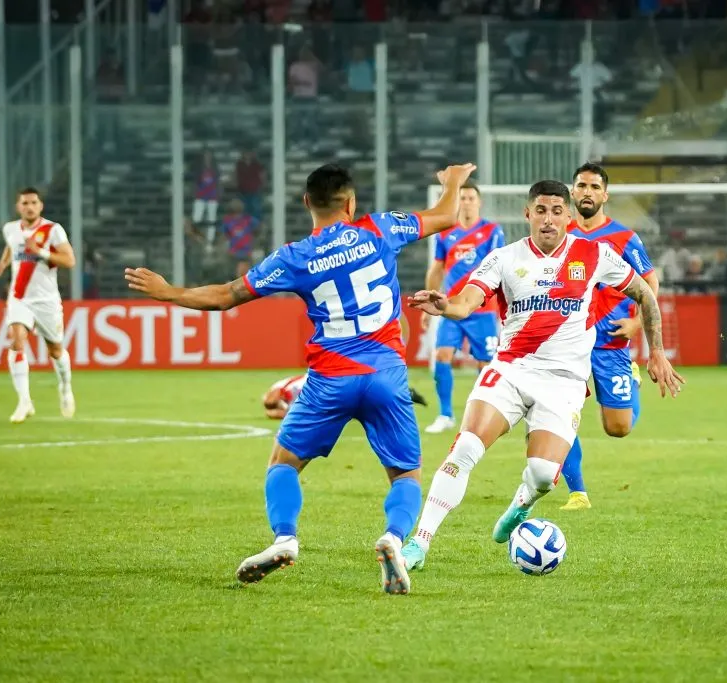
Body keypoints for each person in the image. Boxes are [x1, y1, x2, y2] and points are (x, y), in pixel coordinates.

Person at [125, 162, 476, 595]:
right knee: (405, 476)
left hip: (330, 378)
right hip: (386, 373)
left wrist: (169, 292)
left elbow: (225, 296)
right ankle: (392, 539)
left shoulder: (293, 257)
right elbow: (444, 216)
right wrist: (454, 180)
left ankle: (285, 539)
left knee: (283, 463)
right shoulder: (380, 228)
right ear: (351, 202)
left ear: (307, 201)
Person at [399, 180, 683, 571]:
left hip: (564, 383)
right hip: (511, 370)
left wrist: (657, 353)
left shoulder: (595, 254)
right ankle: (419, 543)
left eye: (556, 211)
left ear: (567, 216)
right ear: (527, 214)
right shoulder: (503, 258)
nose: (548, 219)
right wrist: (445, 305)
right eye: (541, 210)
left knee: (544, 475)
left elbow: (645, 294)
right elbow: (467, 301)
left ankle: (522, 503)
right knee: (464, 448)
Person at [561, 162, 660, 511]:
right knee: (559, 412)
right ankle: (578, 493)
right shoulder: (560, 234)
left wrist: (636, 323)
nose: (586, 192)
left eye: (593, 186)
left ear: (605, 194)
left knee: (618, 428)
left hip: (611, 340)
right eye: (581, 185)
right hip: (568, 340)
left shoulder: (623, 238)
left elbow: (650, 282)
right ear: (572, 191)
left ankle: (629, 378)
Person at [422, 181, 505, 434]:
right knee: (442, 356)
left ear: (479, 202)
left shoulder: (492, 232)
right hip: (451, 307)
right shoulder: (446, 232)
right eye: (463, 198)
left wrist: (505, 306)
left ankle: (485, 415)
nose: (467, 202)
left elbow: (501, 268)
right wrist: (428, 305)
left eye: (471, 198)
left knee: (485, 364)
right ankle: (445, 414)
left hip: (482, 309)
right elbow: (436, 269)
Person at [0, 187, 77, 423]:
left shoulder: (52, 230)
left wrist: (41, 252)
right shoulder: (10, 229)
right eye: (25, 203)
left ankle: (65, 387)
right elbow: (11, 246)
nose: (29, 206)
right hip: (19, 297)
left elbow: (70, 260)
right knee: (16, 340)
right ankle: (24, 401)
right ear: (19, 207)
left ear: (40, 206)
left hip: (46, 300)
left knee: (55, 350)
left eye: (33, 202)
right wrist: (2, 264)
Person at [263, 374, 427, 419]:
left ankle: (405, 393)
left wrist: (272, 410)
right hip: (325, 396)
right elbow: (277, 412)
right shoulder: (289, 404)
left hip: (325, 383)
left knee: (368, 392)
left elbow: (272, 401)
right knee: (368, 398)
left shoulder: (285, 387)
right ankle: (404, 394)